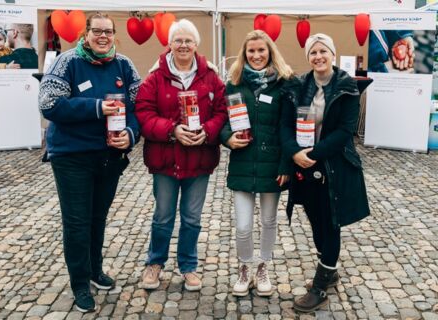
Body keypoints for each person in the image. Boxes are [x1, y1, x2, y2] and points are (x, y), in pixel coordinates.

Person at [38, 12, 141, 313]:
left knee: (98, 217)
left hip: (109, 155)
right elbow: (48, 104)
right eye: (97, 31)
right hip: (72, 156)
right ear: (85, 34)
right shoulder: (68, 62)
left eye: (108, 31)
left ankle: (95, 270)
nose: (103, 36)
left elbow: (139, 108)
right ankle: (80, 282)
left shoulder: (124, 64)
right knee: (77, 222)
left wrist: (131, 135)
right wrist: (97, 108)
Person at [135, 19, 227, 291]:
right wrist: (172, 130)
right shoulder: (155, 77)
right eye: (178, 40)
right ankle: (155, 263)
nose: (183, 45)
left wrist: (208, 131)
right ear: (170, 44)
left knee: (192, 218)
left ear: (196, 44)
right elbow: (143, 112)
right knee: (163, 216)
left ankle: (188, 266)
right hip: (165, 159)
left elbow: (222, 112)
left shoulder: (210, 77)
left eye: (188, 40)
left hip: (199, 159)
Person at [280, 33, 370, 312]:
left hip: (333, 165)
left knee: (330, 222)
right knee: (315, 219)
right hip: (303, 165)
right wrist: (295, 152)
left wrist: (313, 155)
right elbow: (283, 125)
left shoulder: (347, 87)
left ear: (332, 53)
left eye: (323, 51)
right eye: (313, 52)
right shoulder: (297, 86)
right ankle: (328, 269)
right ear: (308, 57)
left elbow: (345, 131)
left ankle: (320, 285)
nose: (318, 56)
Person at [219, 30, 300, 297]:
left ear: (270, 52)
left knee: (268, 221)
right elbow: (223, 121)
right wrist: (228, 138)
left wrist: (286, 165)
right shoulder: (234, 83)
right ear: (244, 54)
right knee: (242, 225)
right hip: (242, 162)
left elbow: (288, 128)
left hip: (272, 165)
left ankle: (263, 267)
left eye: (261, 50)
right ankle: (244, 268)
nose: (256, 55)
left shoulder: (285, 83)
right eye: (251, 51)